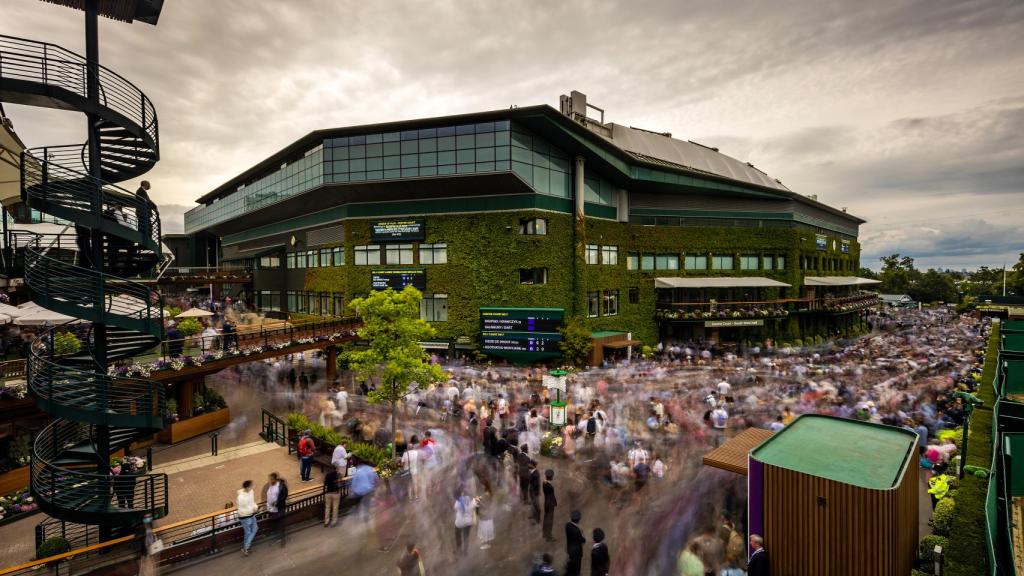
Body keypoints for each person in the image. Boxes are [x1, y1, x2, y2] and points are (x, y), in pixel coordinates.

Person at [350, 458, 378, 523]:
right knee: (367, 505)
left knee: (357, 504)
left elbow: (354, 482)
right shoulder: (371, 469)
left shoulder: (358, 470)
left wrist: (352, 490)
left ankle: (356, 517)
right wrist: (375, 487)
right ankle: (366, 518)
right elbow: (376, 480)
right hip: (368, 490)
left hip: (358, 491)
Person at [265, 473, 288, 547]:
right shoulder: (270, 486)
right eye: (269, 479)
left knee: (281, 524)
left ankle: (283, 540)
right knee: (274, 525)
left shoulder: (281, 486)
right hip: (271, 510)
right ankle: (276, 538)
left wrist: (277, 503)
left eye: (271, 479)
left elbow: (284, 495)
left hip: (279, 509)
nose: (270, 480)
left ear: (275, 479)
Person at [236, 480, 258, 556]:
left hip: (251, 514)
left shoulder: (251, 491)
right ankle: (246, 548)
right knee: (249, 532)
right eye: (252, 485)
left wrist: (255, 507)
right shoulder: (241, 497)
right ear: (248, 487)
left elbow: (252, 502)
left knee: (253, 530)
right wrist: (254, 509)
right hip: (245, 516)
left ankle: (246, 547)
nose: (253, 487)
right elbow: (244, 508)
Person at [453, 487, 475, 553]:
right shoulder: (469, 498)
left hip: (460, 523)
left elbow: (455, 508)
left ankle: (459, 549)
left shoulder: (458, 501)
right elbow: (472, 506)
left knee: (458, 535)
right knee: (466, 537)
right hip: (468, 522)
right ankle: (465, 551)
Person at [565, 510, 585, 576]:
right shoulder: (577, 531)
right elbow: (582, 540)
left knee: (571, 563)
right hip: (577, 552)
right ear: (579, 520)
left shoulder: (567, 525)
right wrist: (581, 534)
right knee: (577, 568)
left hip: (570, 549)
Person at [542, 469, 557, 542]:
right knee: (550, 520)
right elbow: (552, 496)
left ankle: (544, 533)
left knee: (546, 518)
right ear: (551, 477)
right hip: (550, 504)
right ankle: (549, 536)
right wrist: (554, 503)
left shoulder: (544, 483)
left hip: (546, 503)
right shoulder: (549, 486)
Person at [528, 460, 541, 525]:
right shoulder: (532, 471)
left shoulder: (536, 474)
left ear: (533, 465)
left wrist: (533, 490)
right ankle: (533, 516)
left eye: (530, 464)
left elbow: (536, 484)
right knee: (533, 504)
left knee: (536, 506)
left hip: (534, 492)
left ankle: (537, 519)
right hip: (532, 491)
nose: (528, 465)